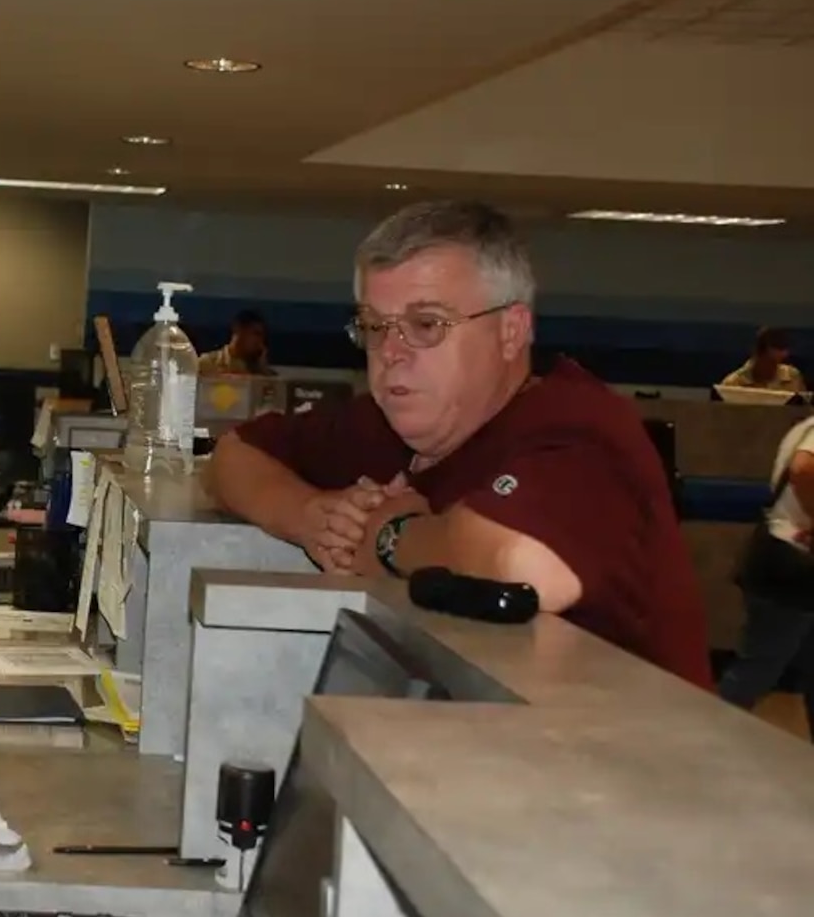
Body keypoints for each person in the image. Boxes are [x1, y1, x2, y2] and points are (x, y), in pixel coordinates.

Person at [205, 199, 712, 690]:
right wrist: (312, 518)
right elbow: (232, 455)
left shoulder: (581, 429)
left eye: (427, 325)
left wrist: (390, 534)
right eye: (375, 327)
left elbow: (525, 567)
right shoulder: (392, 422)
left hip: (640, 764)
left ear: (511, 331)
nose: (391, 353)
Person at [718, 415, 814, 735]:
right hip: (793, 566)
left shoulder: (805, 425)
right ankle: (707, 739)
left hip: (780, 558)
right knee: (759, 667)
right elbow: (804, 469)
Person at [720, 326, 806, 393]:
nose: (772, 367)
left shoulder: (793, 377)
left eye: (777, 363)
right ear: (757, 354)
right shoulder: (733, 384)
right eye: (770, 361)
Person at [198, 309, 271, 375]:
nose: (259, 342)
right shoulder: (207, 364)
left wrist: (263, 371)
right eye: (256, 334)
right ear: (238, 329)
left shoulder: (258, 370)